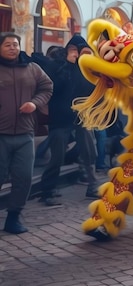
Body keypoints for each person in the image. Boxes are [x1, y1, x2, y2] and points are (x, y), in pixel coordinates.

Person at [0, 32, 53, 233]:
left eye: (15, 44)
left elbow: (47, 87)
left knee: (23, 178)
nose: (13, 47)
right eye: (7, 45)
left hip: (25, 133)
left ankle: (13, 218)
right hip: (1, 134)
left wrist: (35, 103)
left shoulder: (32, 68)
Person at [39, 34, 100, 206]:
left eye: (80, 50)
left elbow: (92, 90)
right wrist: (69, 65)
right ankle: (48, 190)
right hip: (60, 118)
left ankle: (93, 186)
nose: (77, 53)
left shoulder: (87, 70)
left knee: (89, 153)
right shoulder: (57, 66)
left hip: (82, 118)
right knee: (57, 156)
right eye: (73, 49)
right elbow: (54, 88)